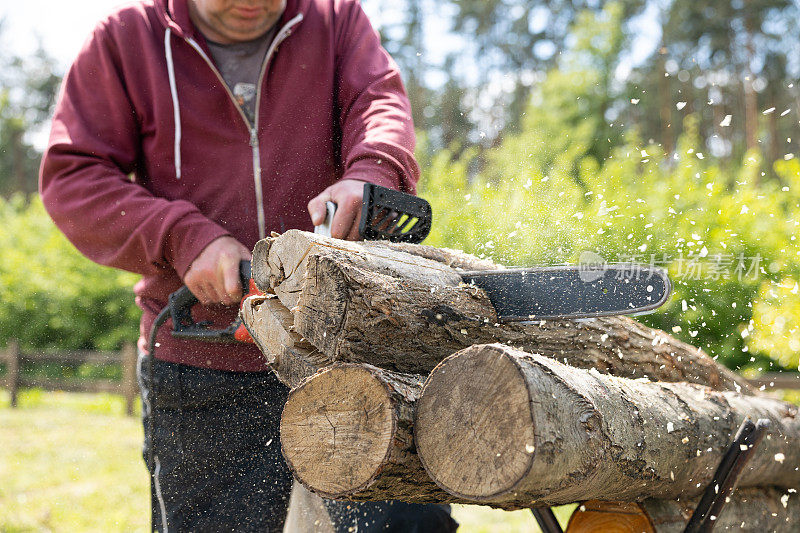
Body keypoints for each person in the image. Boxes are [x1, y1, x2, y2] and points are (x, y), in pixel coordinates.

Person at [39, 0, 459, 531]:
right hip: (204, 361)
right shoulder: (127, 38)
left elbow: (379, 103)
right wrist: (181, 239)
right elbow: (73, 177)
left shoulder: (335, 19)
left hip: (349, 352)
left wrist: (372, 171)